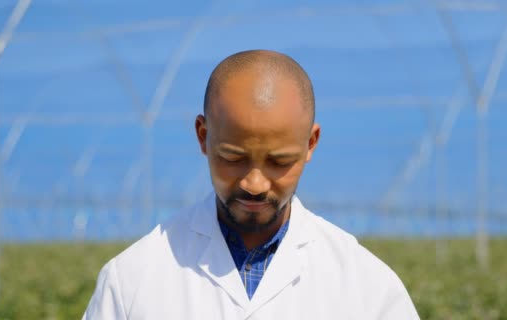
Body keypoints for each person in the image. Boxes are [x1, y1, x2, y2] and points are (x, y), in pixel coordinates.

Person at [83, 50, 419, 319]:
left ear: (310, 144)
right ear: (203, 137)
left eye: (279, 162)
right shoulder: (132, 280)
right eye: (232, 158)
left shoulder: (368, 288)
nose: (255, 183)